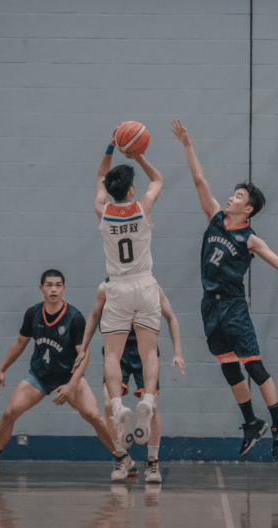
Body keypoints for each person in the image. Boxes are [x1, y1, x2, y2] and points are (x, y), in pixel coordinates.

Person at [171, 119, 278, 459]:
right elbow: (199, 179)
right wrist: (187, 144)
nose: (230, 196)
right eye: (233, 193)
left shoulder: (249, 238)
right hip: (209, 306)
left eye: (238, 196)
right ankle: (251, 423)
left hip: (233, 307)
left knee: (253, 366)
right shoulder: (214, 216)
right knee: (228, 366)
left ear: (248, 209)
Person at [0, 270, 117, 475]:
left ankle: (122, 458)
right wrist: (2, 368)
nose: (54, 289)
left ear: (64, 289)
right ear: (41, 289)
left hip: (68, 377)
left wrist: (72, 384)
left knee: (94, 415)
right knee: (9, 413)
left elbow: (83, 355)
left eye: (58, 285)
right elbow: (20, 342)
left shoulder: (74, 318)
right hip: (39, 376)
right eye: (49, 285)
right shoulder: (33, 313)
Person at [74, 280, 186, 482]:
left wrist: (178, 352)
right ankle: (121, 457)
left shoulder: (150, 285)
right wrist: (83, 347)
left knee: (152, 406)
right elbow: (93, 315)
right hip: (117, 352)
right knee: (109, 404)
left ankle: (152, 462)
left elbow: (171, 317)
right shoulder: (105, 287)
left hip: (144, 351)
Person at [95, 137, 164, 455]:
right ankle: (148, 398)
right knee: (149, 351)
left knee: (112, 354)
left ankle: (120, 405)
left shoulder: (103, 211)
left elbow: (99, 177)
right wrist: (139, 155)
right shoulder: (142, 206)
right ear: (131, 190)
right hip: (145, 284)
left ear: (110, 190)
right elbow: (158, 179)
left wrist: (110, 147)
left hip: (118, 287)